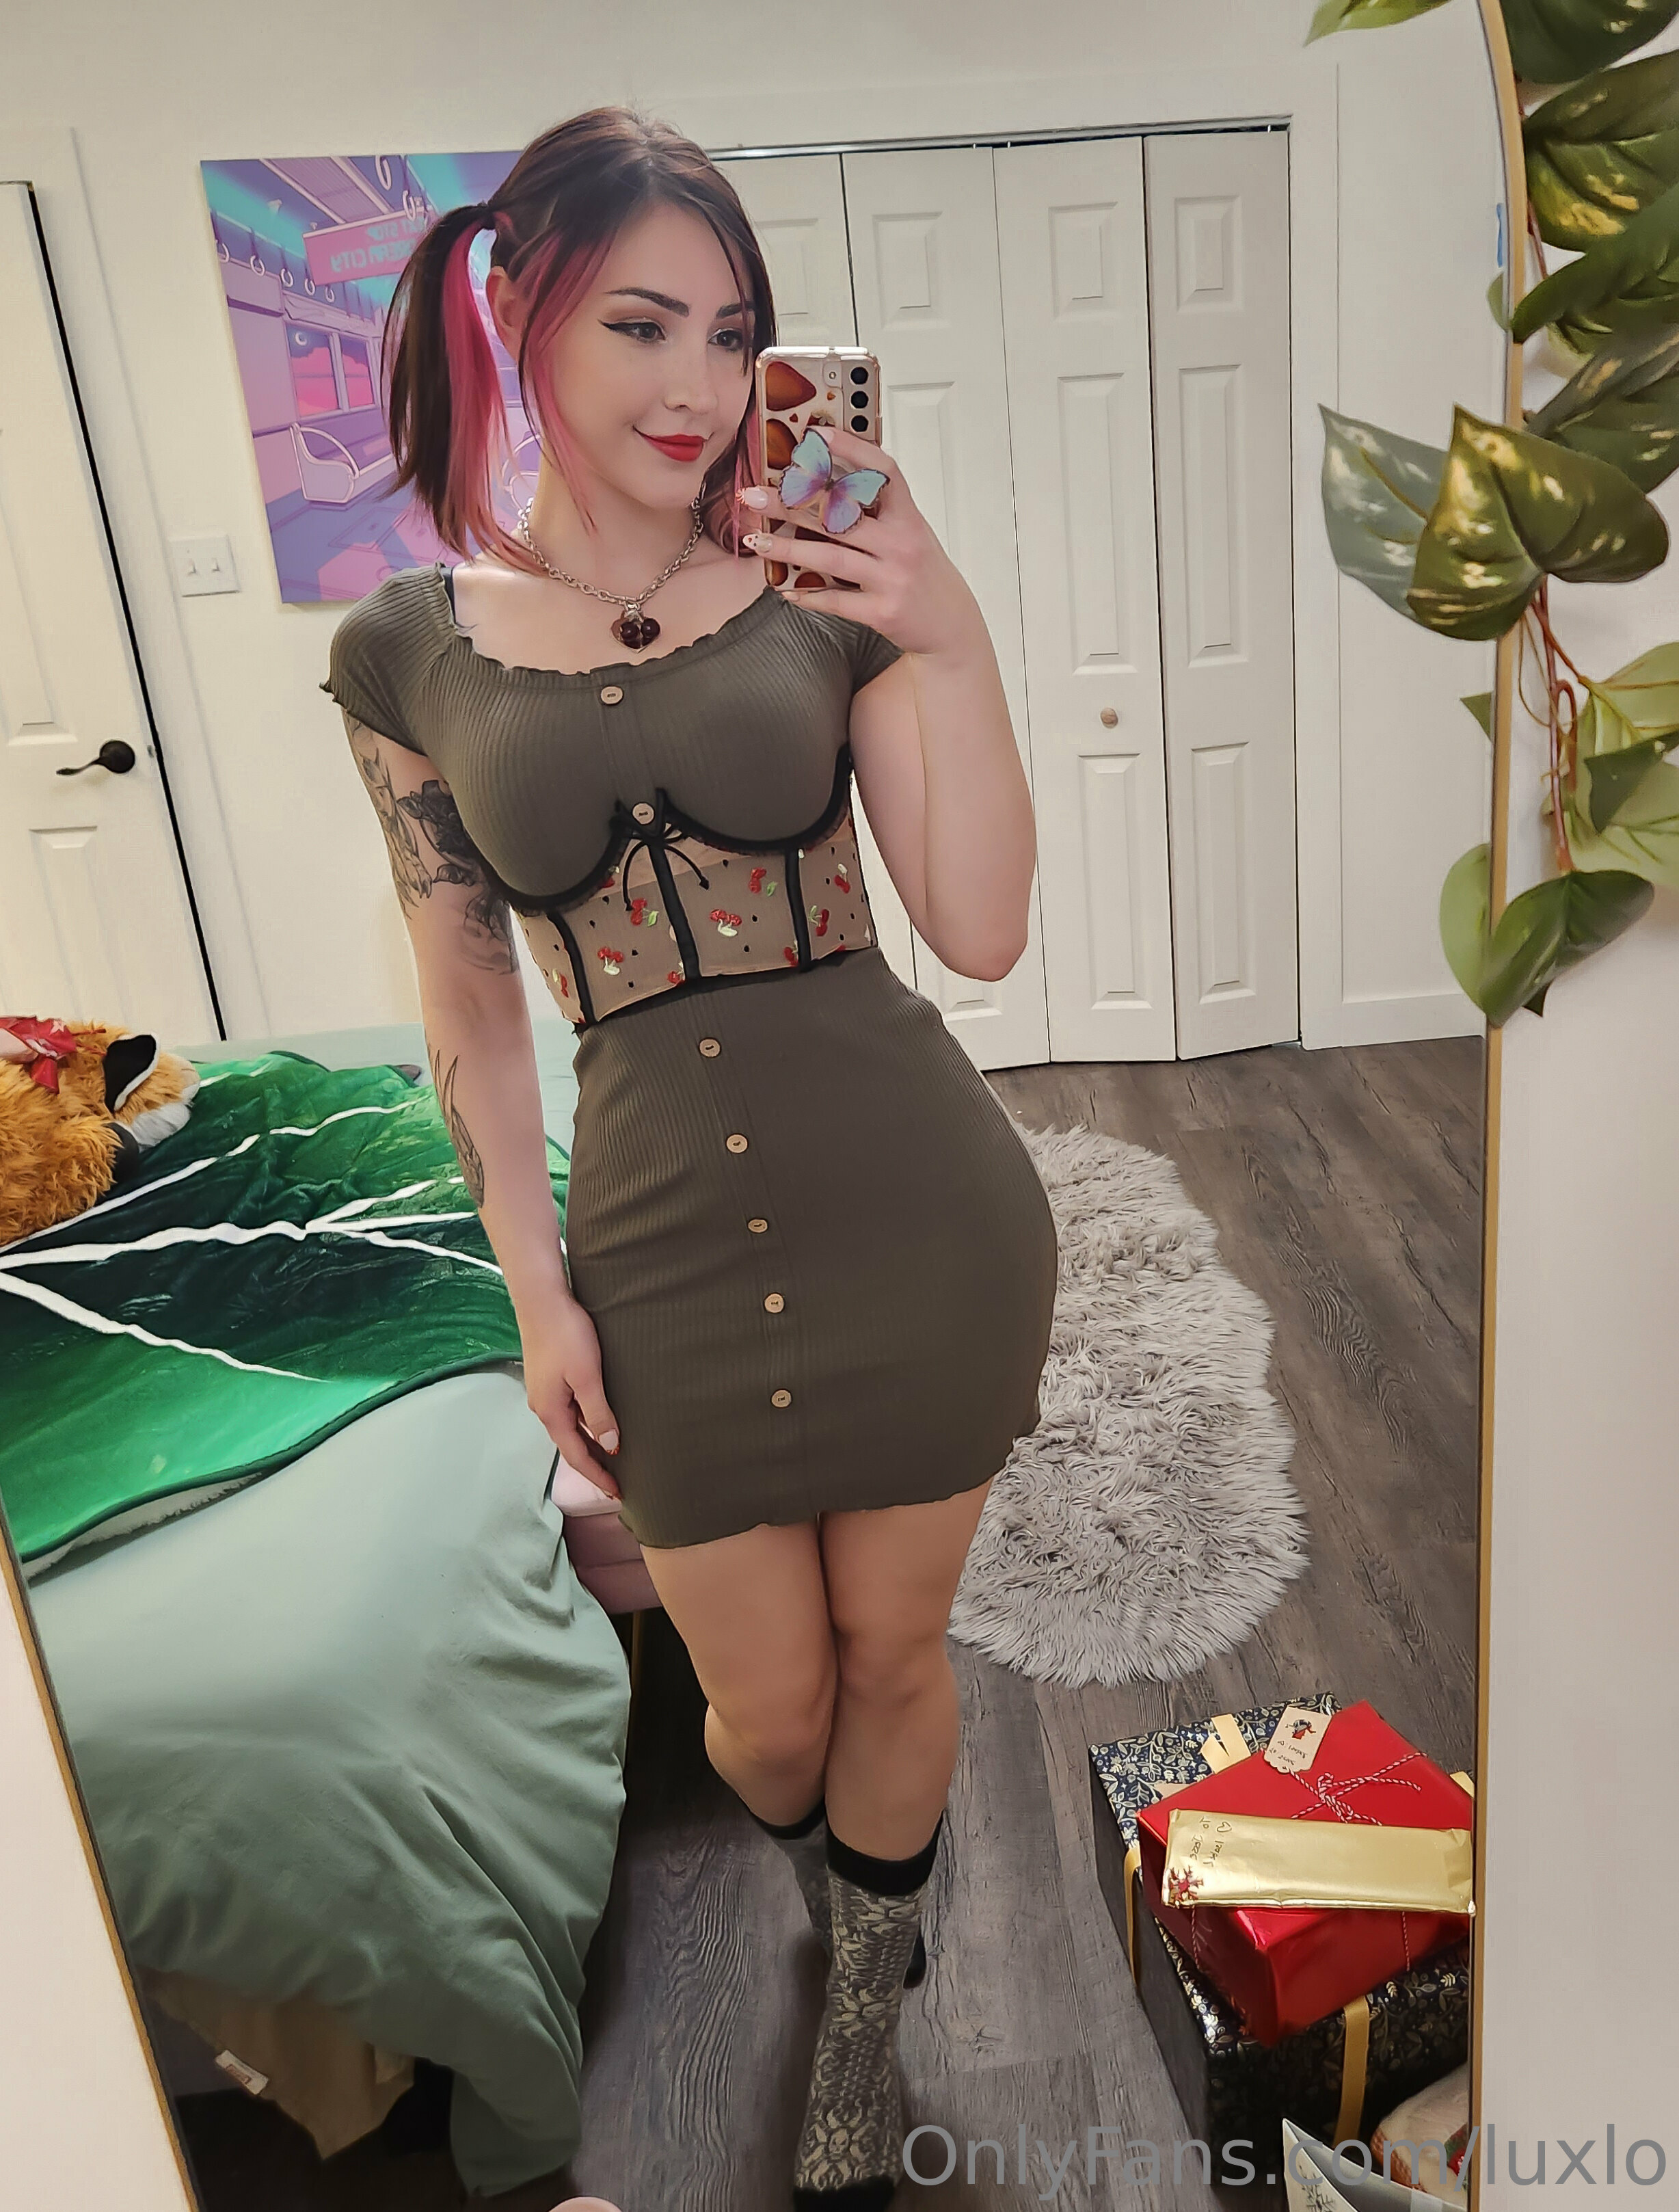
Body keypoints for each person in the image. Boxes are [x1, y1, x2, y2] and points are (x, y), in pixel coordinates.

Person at [320, 107, 1058, 2212]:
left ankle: (863, 2021)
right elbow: (472, 1001)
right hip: (651, 1241)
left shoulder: (824, 584)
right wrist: (530, 1285)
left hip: (918, 1213)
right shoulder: (408, 652)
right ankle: (846, 1883)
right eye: (641, 324)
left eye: (733, 334)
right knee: (769, 1711)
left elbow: (982, 924)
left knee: (897, 1658)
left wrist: (950, 631)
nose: (701, 385)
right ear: (520, 312)